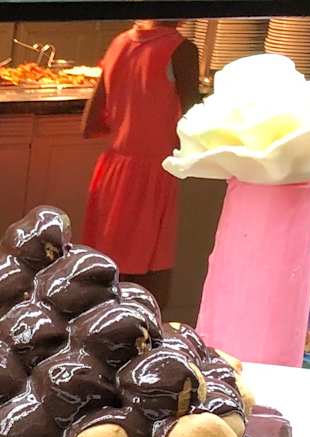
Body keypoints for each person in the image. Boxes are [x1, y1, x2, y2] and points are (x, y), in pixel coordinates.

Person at [81, 20, 201, 309]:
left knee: (106, 277)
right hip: (155, 173)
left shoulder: (119, 42)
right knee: (149, 288)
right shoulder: (181, 50)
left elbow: (90, 124)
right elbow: (195, 123)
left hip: (112, 171)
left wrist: (128, 124)